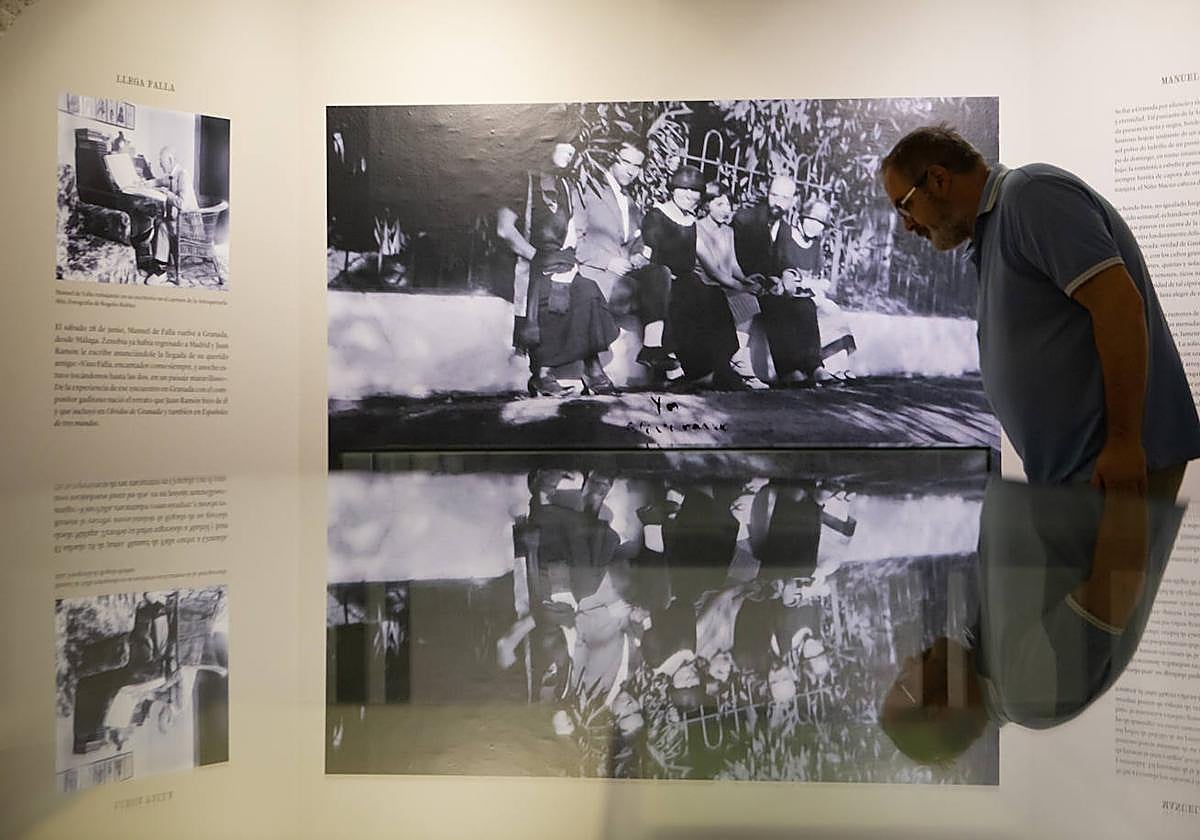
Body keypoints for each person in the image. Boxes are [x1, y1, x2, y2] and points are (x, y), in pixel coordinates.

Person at [879, 124, 1200, 491]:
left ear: (937, 179)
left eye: (904, 206)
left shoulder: (1031, 196)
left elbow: (1120, 309)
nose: (907, 225)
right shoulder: (997, 226)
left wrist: (1124, 445)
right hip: (1076, 472)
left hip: (1106, 468)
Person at [503, 136, 620, 397]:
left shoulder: (565, 185)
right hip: (530, 262)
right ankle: (542, 374)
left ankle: (592, 369)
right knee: (551, 296)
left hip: (559, 260)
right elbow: (504, 229)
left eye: (573, 148)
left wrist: (569, 263)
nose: (571, 152)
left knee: (587, 290)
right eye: (564, 146)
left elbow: (570, 234)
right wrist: (534, 256)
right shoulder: (521, 183)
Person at [575, 139, 680, 378]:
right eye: (626, 163)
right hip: (597, 275)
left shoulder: (630, 202)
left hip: (623, 277)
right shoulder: (589, 191)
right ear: (613, 158)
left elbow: (634, 240)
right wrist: (609, 261)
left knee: (662, 273)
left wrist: (638, 254)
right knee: (660, 285)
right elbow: (576, 241)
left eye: (637, 166)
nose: (631, 171)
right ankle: (663, 361)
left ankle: (653, 348)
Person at [643, 166, 743, 389]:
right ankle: (689, 371)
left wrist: (740, 282)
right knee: (690, 298)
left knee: (715, 297)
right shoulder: (657, 215)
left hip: (688, 280)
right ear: (673, 189)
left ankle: (719, 366)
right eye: (684, 189)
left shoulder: (690, 221)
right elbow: (648, 254)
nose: (690, 196)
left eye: (695, 191)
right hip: (663, 280)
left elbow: (702, 254)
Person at [733, 175, 834, 386]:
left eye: (785, 198)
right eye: (774, 195)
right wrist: (765, 281)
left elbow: (785, 261)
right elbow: (739, 258)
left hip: (772, 284)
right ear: (767, 194)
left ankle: (814, 366)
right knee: (776, 305)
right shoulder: (746, 219)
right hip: (747, 283)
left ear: (793, 201)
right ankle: (788, 371)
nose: (778, 202)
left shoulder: (786, 228)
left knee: (804, 305)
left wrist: (787, 275)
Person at [696, 185, 768, 389]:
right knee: (743, 298)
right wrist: (741, 287)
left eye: (728, 204)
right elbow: (713, 271)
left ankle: (738, 357)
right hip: (707, 284)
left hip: (727, 284)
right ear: (707, 204)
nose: (725, 210)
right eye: (719, 204)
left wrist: (746, 281)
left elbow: (733, 264)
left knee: (750, 299)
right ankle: (735, 362)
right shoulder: (697, 228)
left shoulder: (728, 231)